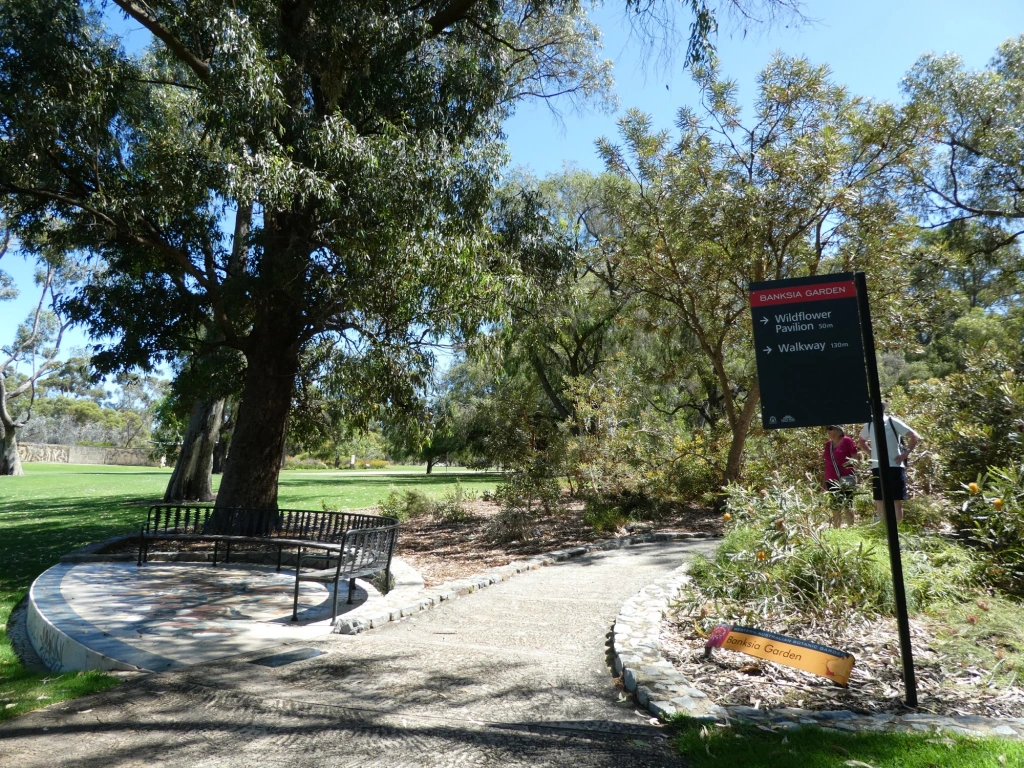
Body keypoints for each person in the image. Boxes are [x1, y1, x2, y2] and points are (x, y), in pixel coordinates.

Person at [858, 403, 920, 523]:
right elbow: (861, 440)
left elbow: (914, 436)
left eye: (878, 407)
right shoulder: (869, 424)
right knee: (879, 499)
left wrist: (905, 453)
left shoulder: (892, 421)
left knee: (895, 500)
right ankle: (882, 528)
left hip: (894, 465)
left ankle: (898, 529)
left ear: (882, 409)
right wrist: (870, 452)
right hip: (877, 466)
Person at [823, 425, 858, 527]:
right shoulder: (828, 444)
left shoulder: (847, 441)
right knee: (835, 505)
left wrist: (857, 475)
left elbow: (855, 459)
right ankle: (837, 527)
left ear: (838, 430)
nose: (828, 431)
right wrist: (824, 480)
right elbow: (827, 462)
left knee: (848, 503)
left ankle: (851, 527)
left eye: (830, 428)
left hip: (846, 477)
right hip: (831, 478)